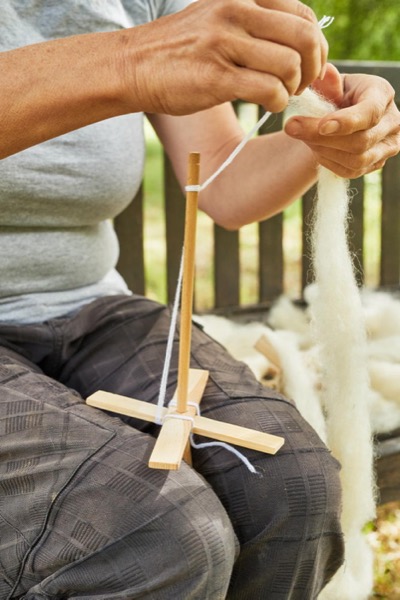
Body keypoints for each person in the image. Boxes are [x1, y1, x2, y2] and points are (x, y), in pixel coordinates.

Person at [0, 1, 399, 599]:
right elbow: (142, 62)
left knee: (294, 488)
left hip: (90, 307)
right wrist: (131, 58)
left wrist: (324, 132)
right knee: (152, 535)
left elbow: (220, 174)